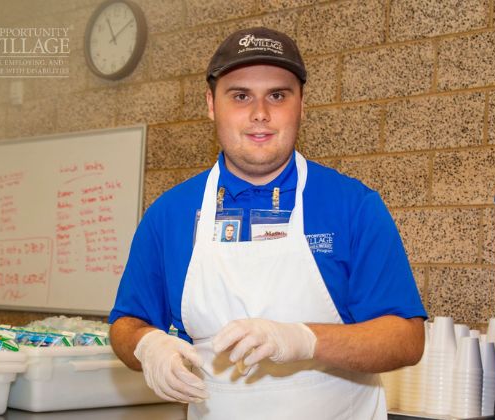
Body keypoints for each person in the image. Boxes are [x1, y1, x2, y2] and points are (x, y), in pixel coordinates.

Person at [109, 27, 426, 419]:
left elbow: (406, 339)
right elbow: (126, 323)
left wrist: (304, 340)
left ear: (302, 105)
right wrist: (146, 345)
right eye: (240, 96)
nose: (260, 113)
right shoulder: (169, 215)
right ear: (211, 104)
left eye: (277, 95)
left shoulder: (353, 207)